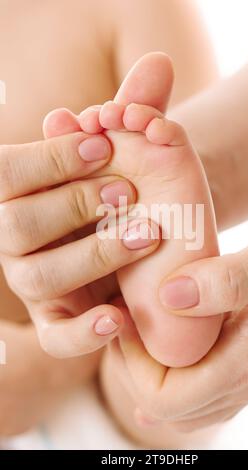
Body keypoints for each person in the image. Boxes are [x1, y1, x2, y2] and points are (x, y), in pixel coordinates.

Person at [0, 0, 216, 436]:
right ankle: (162, 348)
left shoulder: (130, 10)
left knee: (155, 410)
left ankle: (160, 325)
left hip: (73, 381)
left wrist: (46, 370)